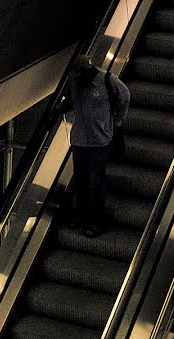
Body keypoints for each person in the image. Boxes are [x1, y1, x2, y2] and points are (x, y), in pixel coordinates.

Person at [55, 54, 131, 238]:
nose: (77, 77)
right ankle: (81, 216)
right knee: (81, 181)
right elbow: (70, 103)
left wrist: (118, 121)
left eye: (79, 74)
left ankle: (96, 221)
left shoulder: (107, 80)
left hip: (99, 141)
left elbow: (125, 95)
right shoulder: (74, 82)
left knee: (96, 182)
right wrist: (57, 110)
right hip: (79, 140)